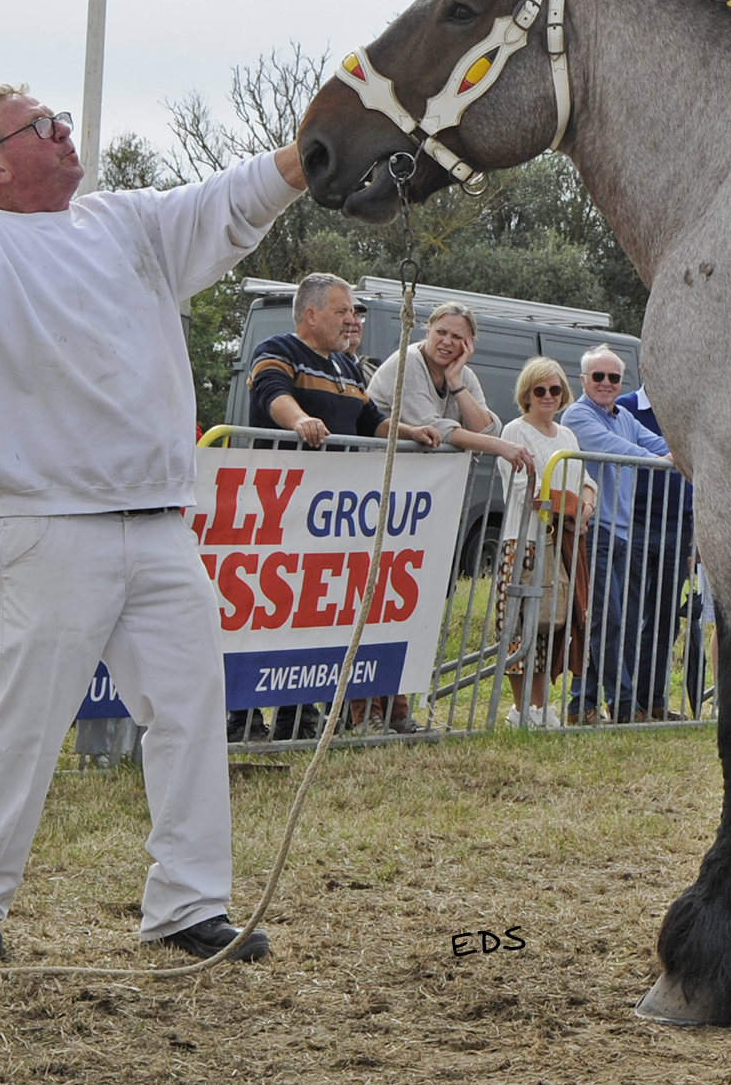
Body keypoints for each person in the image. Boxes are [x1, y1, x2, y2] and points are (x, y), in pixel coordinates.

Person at [0, 41, 294, 962]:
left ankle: (188, 904)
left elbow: (226, 200)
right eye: (42, 126)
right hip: (51, 524)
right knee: (26, 714)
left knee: (187, 707)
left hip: (161, 520)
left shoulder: (128, 222)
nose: (64, 132)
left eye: (61, 118)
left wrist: (313, 155)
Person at [246, 273, 439, 739]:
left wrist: (406, 431)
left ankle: (299, 715)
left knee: (309, 613)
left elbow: (368, 417)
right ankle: (243, 716)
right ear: (310, 315)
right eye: (342, 311)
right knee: (263, 609)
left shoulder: (348, 367)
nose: (351, 320)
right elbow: (272, 394)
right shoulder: (278, 349)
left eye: (351, 311)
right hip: (279, 510)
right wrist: (301, 420)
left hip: (324, 521)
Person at [562, 348, 677, 722]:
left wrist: (682, 454)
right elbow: (615, 448)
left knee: (620, 622)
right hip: (594, 530)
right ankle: (625, 706)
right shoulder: (577, 414)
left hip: (624, 532)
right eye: (598, 377)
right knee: (607, 620)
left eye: (614, 378)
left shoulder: (624, 416)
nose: (606, 384)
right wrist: (660, 462)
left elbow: (657, 443)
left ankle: (584, 704)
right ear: (583, 380)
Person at [493, 358, 595, 727]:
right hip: (524, 540)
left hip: (562, 542)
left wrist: (586, 502)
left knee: (554, 624)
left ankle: (541, 707)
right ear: (527, 394)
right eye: (540, 390)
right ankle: (522, 710)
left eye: (555, 389)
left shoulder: (567, 436)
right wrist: (569, 504)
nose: (548, 396)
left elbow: (585, 475)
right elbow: (522, 486)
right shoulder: (514, 431)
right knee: (521, 627)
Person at [366, 302, 535, 478]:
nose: (447, 341)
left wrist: (456, 382)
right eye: (441, 332)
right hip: (381, 475)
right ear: (428, 331)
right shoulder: (407, 361)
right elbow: (432, 427)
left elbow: (486, 430)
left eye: (456, 336)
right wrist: (499, 446)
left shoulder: (463, 375)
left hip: (423, 479)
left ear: (468, 343)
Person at [620, 381, 700, 716]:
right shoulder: (625, 407)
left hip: (677, 525)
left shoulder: (689, 410)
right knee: (626, 612)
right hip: (634, 522)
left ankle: (653, 700)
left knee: (666, 617)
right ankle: (622, 701)